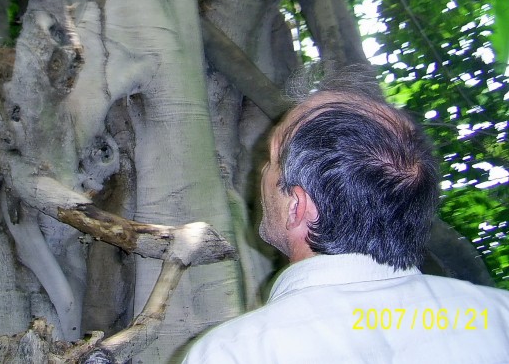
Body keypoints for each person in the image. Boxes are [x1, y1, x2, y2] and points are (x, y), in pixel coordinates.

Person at [183, 76, 509, 363]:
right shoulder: (499, 317)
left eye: (270, 161)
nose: (262, 172)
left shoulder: (235, 352)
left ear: (298, 206)